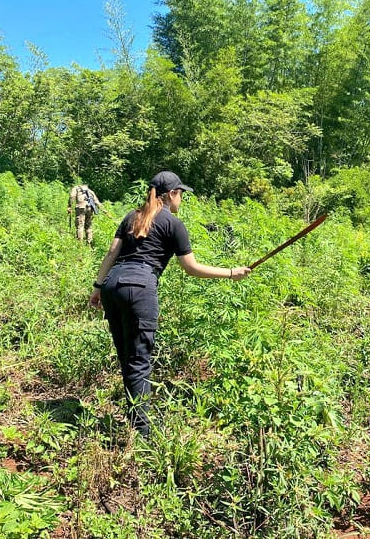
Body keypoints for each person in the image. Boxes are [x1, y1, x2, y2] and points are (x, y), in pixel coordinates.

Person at [89, 171, 251, 437]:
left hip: (112, 285)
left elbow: (111, 252)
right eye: (181, 194)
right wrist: (231, 273)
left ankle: (136, 419)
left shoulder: (132, 216)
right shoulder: (172, 223)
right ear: (172, 194)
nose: (182, 199)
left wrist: (97, 288)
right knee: (139, 360)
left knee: (128, 358)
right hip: (140, 287)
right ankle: (144, 434)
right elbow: (191, 267)